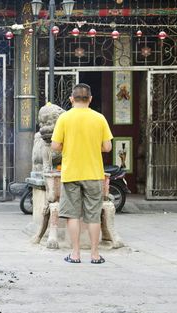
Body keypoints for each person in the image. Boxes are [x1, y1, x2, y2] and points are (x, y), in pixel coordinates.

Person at [51, 83, 113, 264]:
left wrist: (68, 147)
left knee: (72, 215)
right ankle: (94, 255)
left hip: (71, 173)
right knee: (93, 215)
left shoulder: (64, 118)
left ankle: (75, 254)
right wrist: (94, 147)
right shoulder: (99, 118)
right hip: (94, 173)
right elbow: (108, 147)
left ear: (71, 99)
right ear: (90, 99)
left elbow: (55, 145)